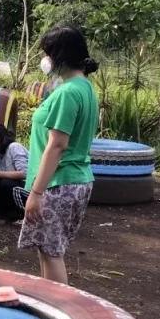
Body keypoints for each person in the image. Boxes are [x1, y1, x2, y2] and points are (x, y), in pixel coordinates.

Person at [15, 25, 100, 285]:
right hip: (74, 180)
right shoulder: (84, 88)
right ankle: (50, 305)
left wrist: (37, 194)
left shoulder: (68, 93)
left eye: (48, 53)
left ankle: (58, 311)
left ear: (59, 55)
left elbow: (57, 145)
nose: (45, 60)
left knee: (51, 253)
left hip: (58, 183)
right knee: (48, 249)